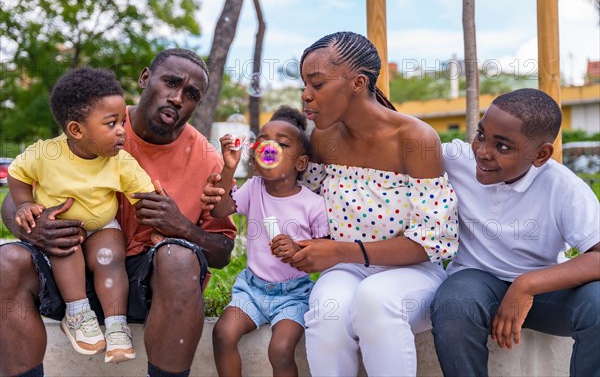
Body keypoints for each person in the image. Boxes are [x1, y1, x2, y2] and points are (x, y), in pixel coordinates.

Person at [202, 31, 460, 376]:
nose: (306, 96)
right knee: (327, 310)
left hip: (411, 272)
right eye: (304, 85)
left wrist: (338, 251)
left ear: (357, 82)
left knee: (375, 299)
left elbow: (432, 241)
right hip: (346, 269)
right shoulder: (323, 138)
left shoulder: (414, 139)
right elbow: (290, 197)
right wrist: (226, 186)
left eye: (318, 84)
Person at [0, 48, 237, 377]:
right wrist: (31, 226)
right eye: (170, 82)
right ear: (144, 79)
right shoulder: (97, 118)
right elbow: (20, 189)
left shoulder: (208, 160)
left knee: (179, 258)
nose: (178, 97)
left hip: (146, 288)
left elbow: (223, 251)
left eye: (191, 94)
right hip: (70, 272)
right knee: (6, 262)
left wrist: (181, 227)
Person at [430, 88, 600, 376]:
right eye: (481, 135)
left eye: (503, 147)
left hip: (545, 293)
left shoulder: (563, 187)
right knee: (453, 306)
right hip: (475, 284)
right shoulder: (456, 159)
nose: (483, 152)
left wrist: (527, 285)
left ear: (541, 154)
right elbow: (392, 141)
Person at [7, 67, 155, 363]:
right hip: (62, 227)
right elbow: (17, 173)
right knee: (66, 247)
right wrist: (24, 203)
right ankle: (78, 314)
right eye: (111, 124)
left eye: (122, 122)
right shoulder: (45, 154)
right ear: (76, 130)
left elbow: (145, 196)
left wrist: (157, 223)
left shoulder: (120, 162)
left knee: (112, 255)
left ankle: (116, 325)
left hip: (103, 226)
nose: (121, 132)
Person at [210, 106, 329, 377]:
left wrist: (298, 249)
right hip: (251, 290)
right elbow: (219, 210)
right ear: (255, 159)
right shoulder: (254, 188)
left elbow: (325, 255)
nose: (270, 148)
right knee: (222, 333)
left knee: (281, 349)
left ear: (301, 163)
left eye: (282, 144)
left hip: (294, 295)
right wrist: (228, 167)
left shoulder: (313, 205)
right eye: (264, 141)